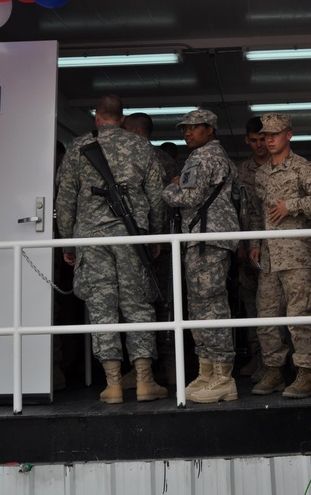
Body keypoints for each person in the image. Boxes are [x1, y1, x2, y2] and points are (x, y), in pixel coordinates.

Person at [55, 94, 168, 404]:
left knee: (102, 307)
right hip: (132, 238)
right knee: (138, 304)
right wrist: (155, 236)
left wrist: (67, 240)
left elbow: (64, 199)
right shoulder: (140, 146)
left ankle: (113, 384)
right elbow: (157, 196)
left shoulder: (78, 148)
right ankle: (144, 382)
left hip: (91, 239)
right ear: (122, 118)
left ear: (96, 117)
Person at [247, 113, 311, 399]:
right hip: (270, 257)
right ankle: (274, 370)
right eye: (265, 135)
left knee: (300, 315)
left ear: (289, 135)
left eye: (275, 134)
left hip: (297, 255)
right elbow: (254, 212)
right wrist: (254, 242)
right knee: (266, 316)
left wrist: (293, 205)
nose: (269, 139)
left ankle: (307, 373)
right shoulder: (260, 174)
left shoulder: (303, 168)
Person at [162, 109, 241, 404]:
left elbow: (190, 197)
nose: (187, 132)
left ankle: (223, 377)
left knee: (209, 305)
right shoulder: (216, 156)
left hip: (208, 238)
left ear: (210, 129)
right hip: (207, 238)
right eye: (185, 128)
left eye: (195, 128)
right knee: (201, 305)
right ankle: (207, 372)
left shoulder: (201, 157)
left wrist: (169, 190)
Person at [122, 111, 178, 388]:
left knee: (147, 304)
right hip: (160, 241)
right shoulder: (165, 160)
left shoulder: (143, 157)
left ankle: (155, 370)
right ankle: (168, 370)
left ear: (137, 132)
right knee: (164, 304)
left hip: (152, 242)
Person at [235, 116, 271, 379]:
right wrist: (238, 244)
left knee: (277, 306)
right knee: (251, 304)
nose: (259, 145)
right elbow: (233, 211)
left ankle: (278, 361)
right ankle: (259, 357)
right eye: (254, 140)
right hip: (247, 245)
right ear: (247, 140)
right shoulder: (239, 172)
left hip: (277, 245)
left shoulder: (278, 164)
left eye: (263, 139)